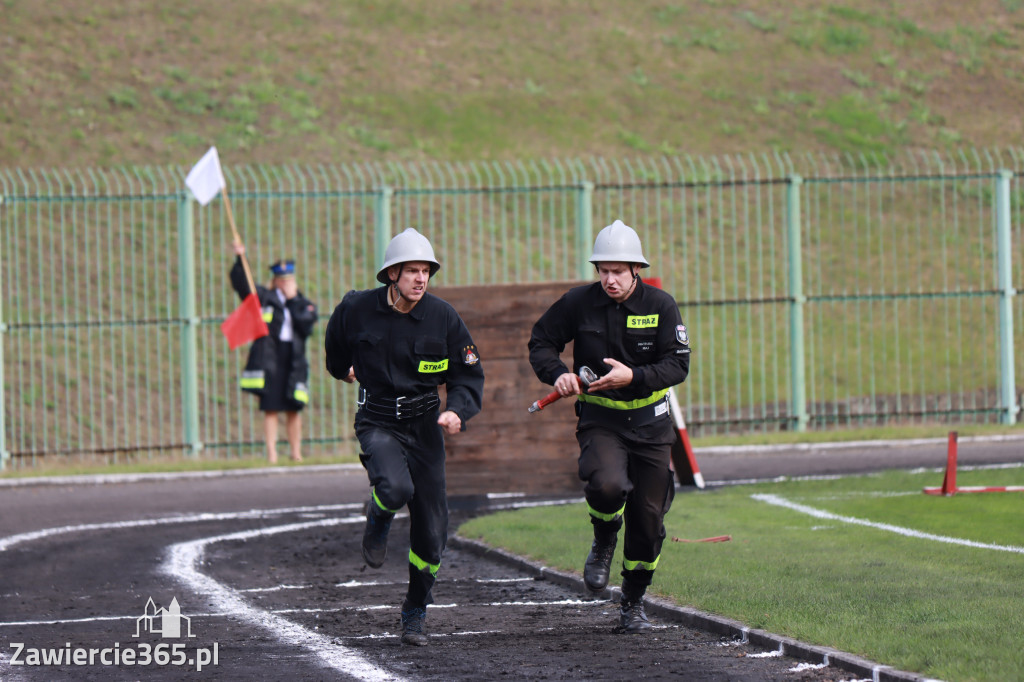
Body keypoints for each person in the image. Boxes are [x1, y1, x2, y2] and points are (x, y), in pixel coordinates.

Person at [323, 227, 484, 646]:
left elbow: (468, 375)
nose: (420, 279)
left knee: (432, 532)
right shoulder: (356, 309)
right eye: (411, 270)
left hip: (426, 427)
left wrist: (456, 410)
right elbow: (335, 346)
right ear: (391, 274)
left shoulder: (443, 317)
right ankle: (378, 516)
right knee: (394, 487)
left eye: (426, 271)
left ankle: (415, 610)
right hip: (377, 420)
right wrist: (344, 370)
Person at [527, 219, 690, 633]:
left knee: (649, 521)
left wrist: (633, 377)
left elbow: (678, 364)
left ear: (636, 269)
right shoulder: (578, 303)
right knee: (607, 485)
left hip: (652, 425)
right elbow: (541, 341)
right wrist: (557, 374)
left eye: (618, 271)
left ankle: (633, 602)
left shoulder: (661, 305)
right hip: (601, 420)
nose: (610, 279)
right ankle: (603, 537)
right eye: (603, 270)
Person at [230, 243, 318, 464]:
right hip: (270, 356)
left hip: (294, 358)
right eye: (282, 280)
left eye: (289, 279)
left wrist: (292, 299)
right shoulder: (264, 297)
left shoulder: (302, 303)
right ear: (275, 280)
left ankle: (296, 452)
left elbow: (307, 326)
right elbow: (243, 286)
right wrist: (241, 259)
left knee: (294, 407)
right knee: (271, 407)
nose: (286, 283)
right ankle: (272, 453)